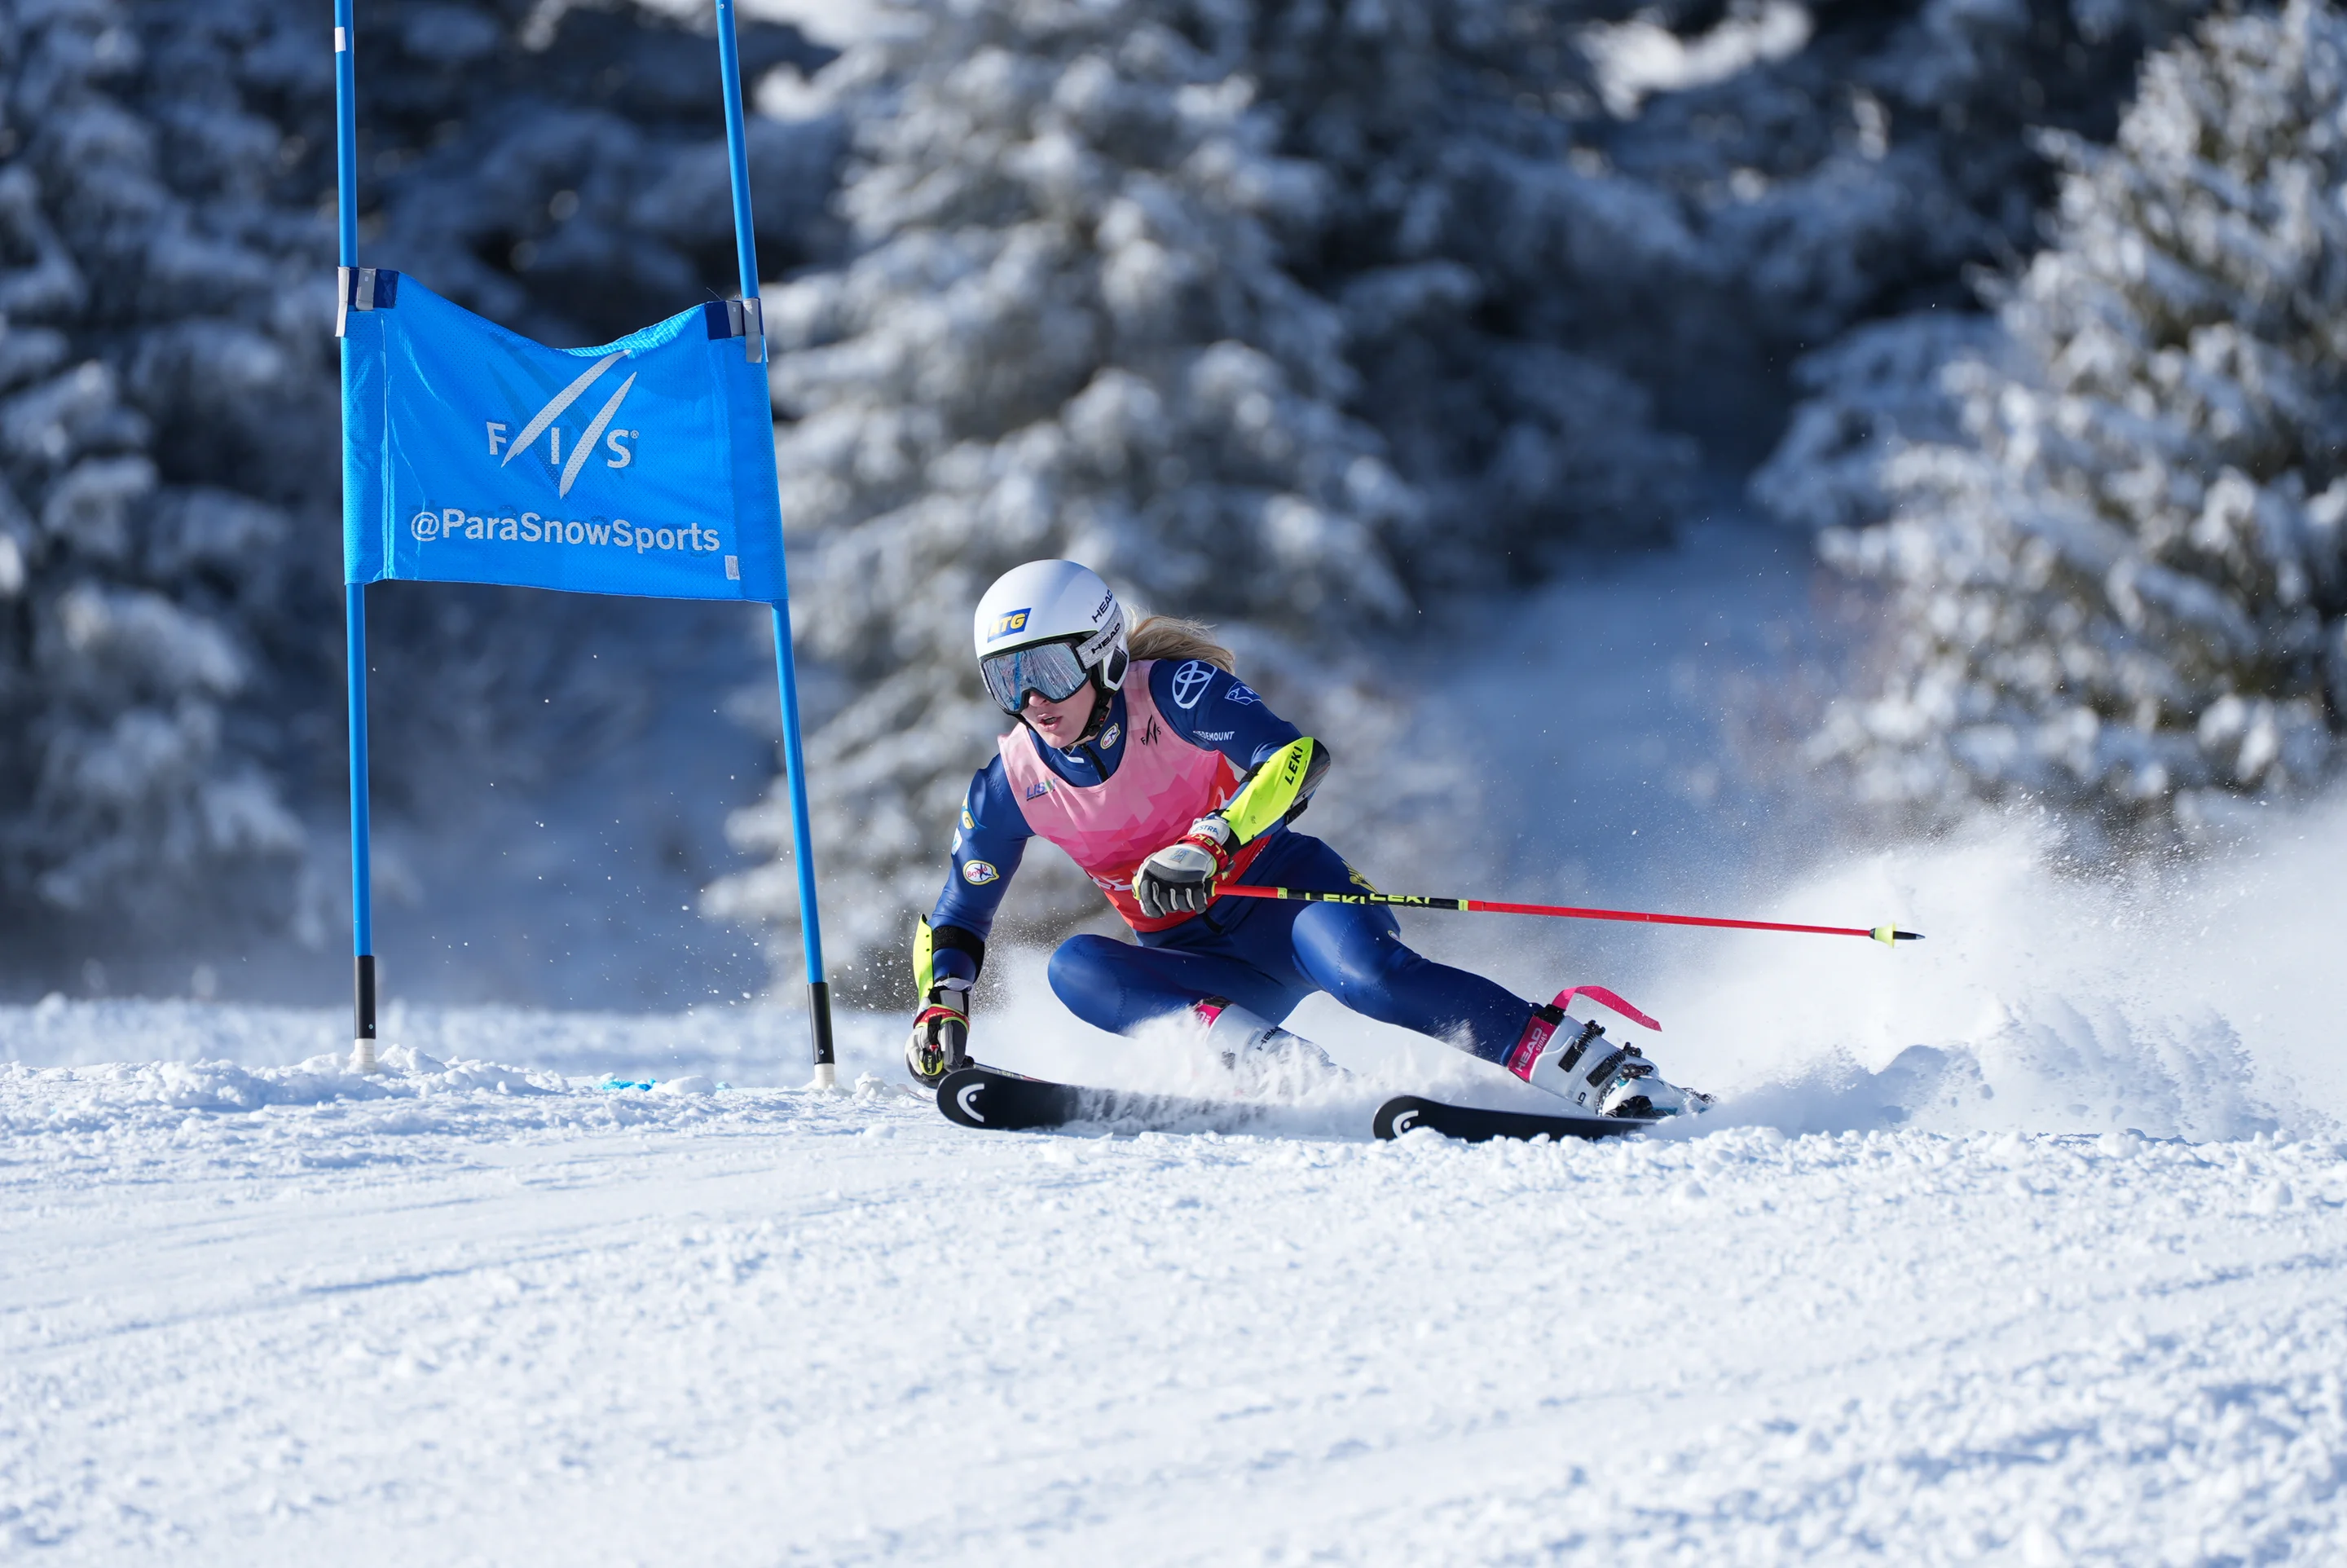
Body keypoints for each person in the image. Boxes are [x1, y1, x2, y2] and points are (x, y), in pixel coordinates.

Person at [905, 559, 1703, 1117]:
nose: (1032, 701)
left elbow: (1294, 756)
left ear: (1099, 653)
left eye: (1045, 670)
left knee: (1372, 978)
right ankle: (1286, 1075)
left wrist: (1215, 839)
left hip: (1287, 898)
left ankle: (1604, 1070)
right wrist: (941, 1001)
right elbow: (958, 913)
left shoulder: (1173, 692)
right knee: (1076, 966)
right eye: (1007, 680)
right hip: (1203, 963)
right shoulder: (1013, 778)